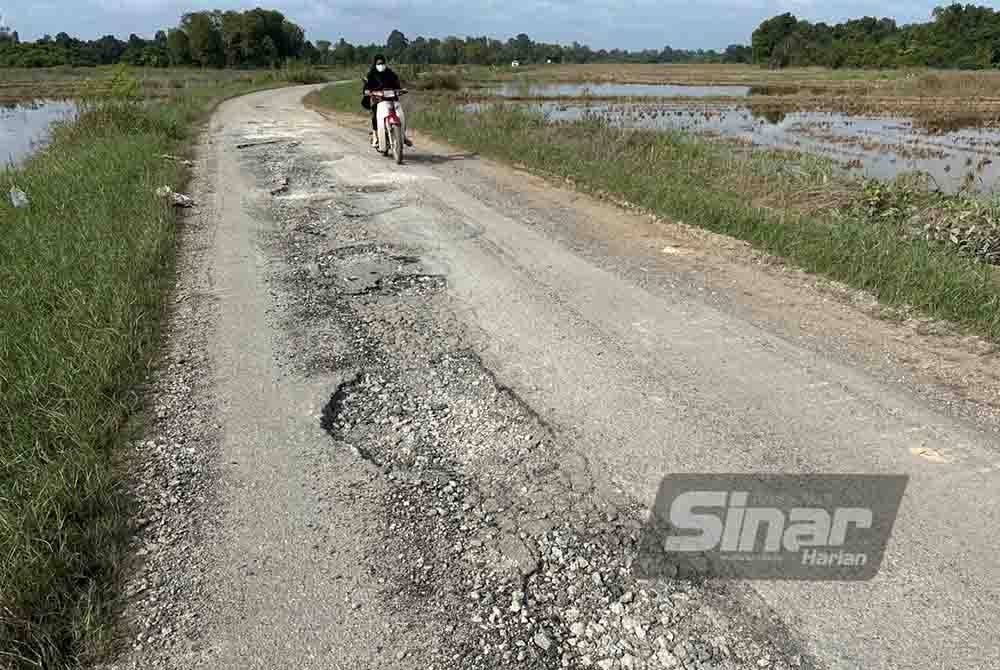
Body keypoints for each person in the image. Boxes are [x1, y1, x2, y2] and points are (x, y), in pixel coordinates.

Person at [362, 55, 411, 147]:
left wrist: (401, 90)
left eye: (382, 63)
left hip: (391, 99)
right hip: (377, 99)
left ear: (385, 63)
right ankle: (376, 136)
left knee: (400, 114)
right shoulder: (371, 74)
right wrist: (367, 91)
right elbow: (366, 86)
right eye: (379, 63)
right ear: (375, 64)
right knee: (375, 116)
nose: (381, 65)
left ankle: (402, 136)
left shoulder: (390, 73)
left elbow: (397, 84)